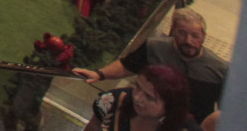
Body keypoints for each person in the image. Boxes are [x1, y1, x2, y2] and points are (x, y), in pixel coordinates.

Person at [75, 11, 228, 124]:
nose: (188, 40)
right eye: (182, 33)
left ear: (204, 36)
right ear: (173, 31)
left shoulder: (219, 69)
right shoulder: (154, 47)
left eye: (195, 36)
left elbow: (225, 107)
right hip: (148, 119)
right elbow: (128, 65)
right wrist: (99, 74)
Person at [87, 64, 202, 131]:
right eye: (137, 87)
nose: (137, 97)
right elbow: (92, 128)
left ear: (170, 105)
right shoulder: (113, 101)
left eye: (149, 97)